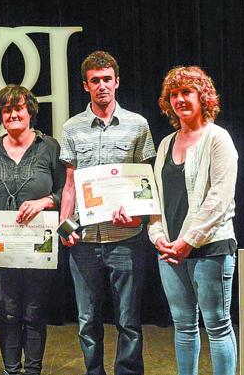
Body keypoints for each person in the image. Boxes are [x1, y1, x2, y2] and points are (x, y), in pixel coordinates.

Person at [59, 51, 156, 375]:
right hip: (85, 240)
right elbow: (70, 184)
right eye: (95, 80)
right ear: (86, 86)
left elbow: (145, 180)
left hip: (125, 238)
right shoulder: (72, 128)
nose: (102, 85)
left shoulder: (137, 125)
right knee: (87, 321)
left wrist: (139, 216)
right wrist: (64, 227)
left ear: (117, 81)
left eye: (107, 79)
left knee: (128, 321)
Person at [148, 66, 238, 375]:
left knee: (217, 324)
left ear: (203, 96)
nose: (180, 99)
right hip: (171, 251)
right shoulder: (165, 144)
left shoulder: (218, 139)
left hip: (210, 248)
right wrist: (158, 236)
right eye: (173, 94)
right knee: (183, 326)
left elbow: (219, 199)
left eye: (187, 92)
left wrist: (189, 241)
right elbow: (155, 199)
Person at [0, 84, 65, 375]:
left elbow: (66, 190)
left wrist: (45, 201)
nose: (13, 114)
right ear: (0, 115)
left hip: (37, 245)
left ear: (30, 110)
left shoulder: (49, 147)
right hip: (1, 247)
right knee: (7, 311)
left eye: (18, 108)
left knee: (34, 311)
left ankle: (33, 371)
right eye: (7, 109)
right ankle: (11, 370)